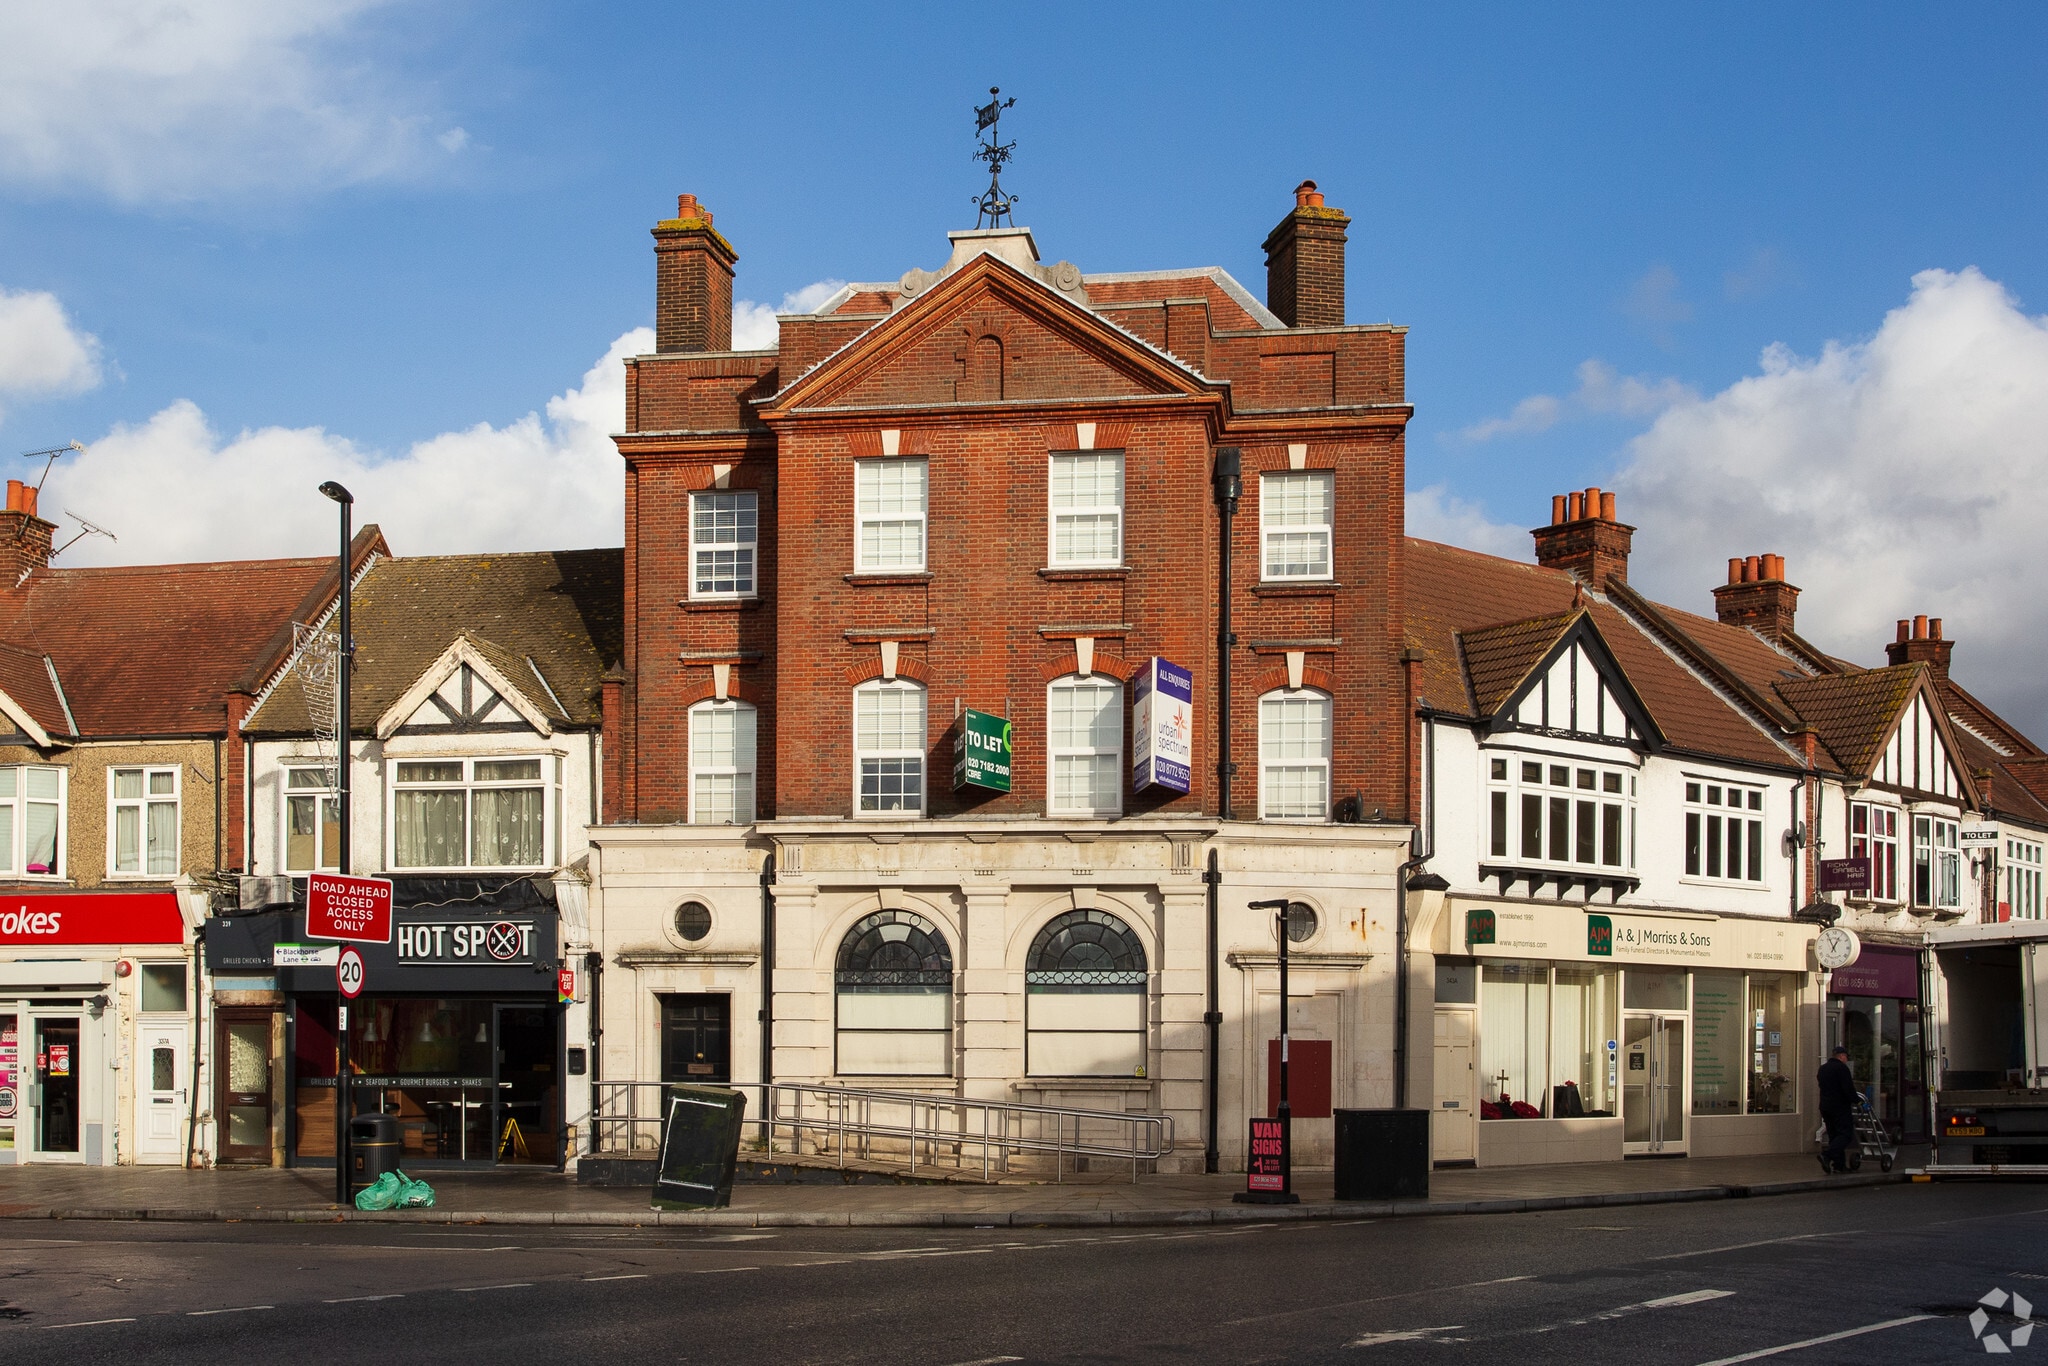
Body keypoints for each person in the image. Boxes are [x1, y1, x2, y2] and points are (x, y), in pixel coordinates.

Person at [1817, 1045, 1859, 1173]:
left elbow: (1821, 1085)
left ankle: (1839, 1165)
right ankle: (1827, 1155)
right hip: (1840, 1107)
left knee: (1834, 1135)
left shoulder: (1823, 1069)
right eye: (1846, 1057)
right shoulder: (1842, 1069)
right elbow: (1848, 1089)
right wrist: (1857, 1101)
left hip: (1825, 1107)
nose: (1846, 1059)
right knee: (1845, 1135)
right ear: (1841, 1056)